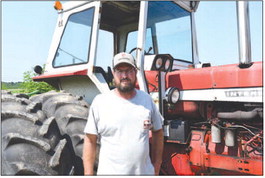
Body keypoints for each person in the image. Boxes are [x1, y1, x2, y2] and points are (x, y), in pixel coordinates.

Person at [83, 52, 164, 175]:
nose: (124, 75)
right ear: (113, 74)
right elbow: (90, 140)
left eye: (129, 70)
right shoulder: (100, 102)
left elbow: (158, 132)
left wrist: (156, 165)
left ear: (135, 72)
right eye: (119, 71)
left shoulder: (147, 100)